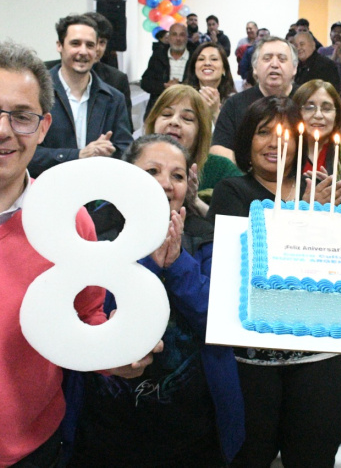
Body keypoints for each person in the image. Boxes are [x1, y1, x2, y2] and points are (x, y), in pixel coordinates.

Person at [0, 40, 157, 467]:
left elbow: (85, 316)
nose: (1, 130)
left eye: (21, 117)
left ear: (42, 127)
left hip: (31, 453)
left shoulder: (72, 224)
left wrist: (117, 357)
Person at [69, 134, 245, 467]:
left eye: (177, 176)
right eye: (152, 171)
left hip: (192, 428)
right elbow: (90, 316)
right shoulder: (95, 233)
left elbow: (219, 320)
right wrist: (150, 261)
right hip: (107, 424)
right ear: (127, 176)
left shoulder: (206, 236)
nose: (165, 184)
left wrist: (177, 263)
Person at [207, 96, 341, 467]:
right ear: (246, 142)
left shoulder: (323, 188)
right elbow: (246, 266)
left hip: (320, 352)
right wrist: (300, 212)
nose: (273, 142)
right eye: (262, 132)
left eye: (282, 132)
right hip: (254, 361)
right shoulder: (232, 192)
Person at [29, 14, 133, 177]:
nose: (83, 51)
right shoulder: (34, 92)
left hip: (95, 194)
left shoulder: (114, 98)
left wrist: (108, 153)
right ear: (59, 46)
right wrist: (78, 155)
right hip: (46, 189)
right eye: (75, 43)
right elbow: (25, 153)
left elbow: (127, 153)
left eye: (90, 45)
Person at [145, 84, 242, 214]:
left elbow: (238, 223)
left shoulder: (222, 169)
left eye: (187, 118)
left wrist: (195, 201)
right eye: (167, 114)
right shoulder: (136, 162)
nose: (174, 122)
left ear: (200, 131)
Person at [210, 36, 298, 163]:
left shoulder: (306, 99)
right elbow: (218, 149)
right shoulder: (235, 104)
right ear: (255, 68)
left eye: (282, 59)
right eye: (267, 59)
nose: (274, 64)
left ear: (294, 68)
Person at [293, 79, 341, 204]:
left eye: (326, 109)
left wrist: (333, 195)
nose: (318, 115)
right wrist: (306, 202)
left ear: (337, 115)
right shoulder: (284, 150)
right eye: (309, 108)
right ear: (296, 112)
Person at [141, 22, 192, 118]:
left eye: (182, 35)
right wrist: (165, 86)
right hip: (160, 107)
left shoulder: (194, 57)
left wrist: (180, 87)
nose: (178, 39)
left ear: (186, 38)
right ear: (168, 38)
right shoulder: (158, 56)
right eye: (174, 34)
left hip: (188, 108)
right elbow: (145, 82)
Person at [84, 11, 132, 113]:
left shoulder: (117, 80)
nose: (96, 48)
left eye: (102, 42)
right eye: (91, 41)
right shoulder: (48, 75)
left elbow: (125, 126)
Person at [184, 42, 236, 124]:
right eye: (201, 59)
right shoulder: (183, 98)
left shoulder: (235, 102)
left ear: (224, 69)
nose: (207, 63)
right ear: (194, 68)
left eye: (214, 59)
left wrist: (215, 112)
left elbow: (235, 136)